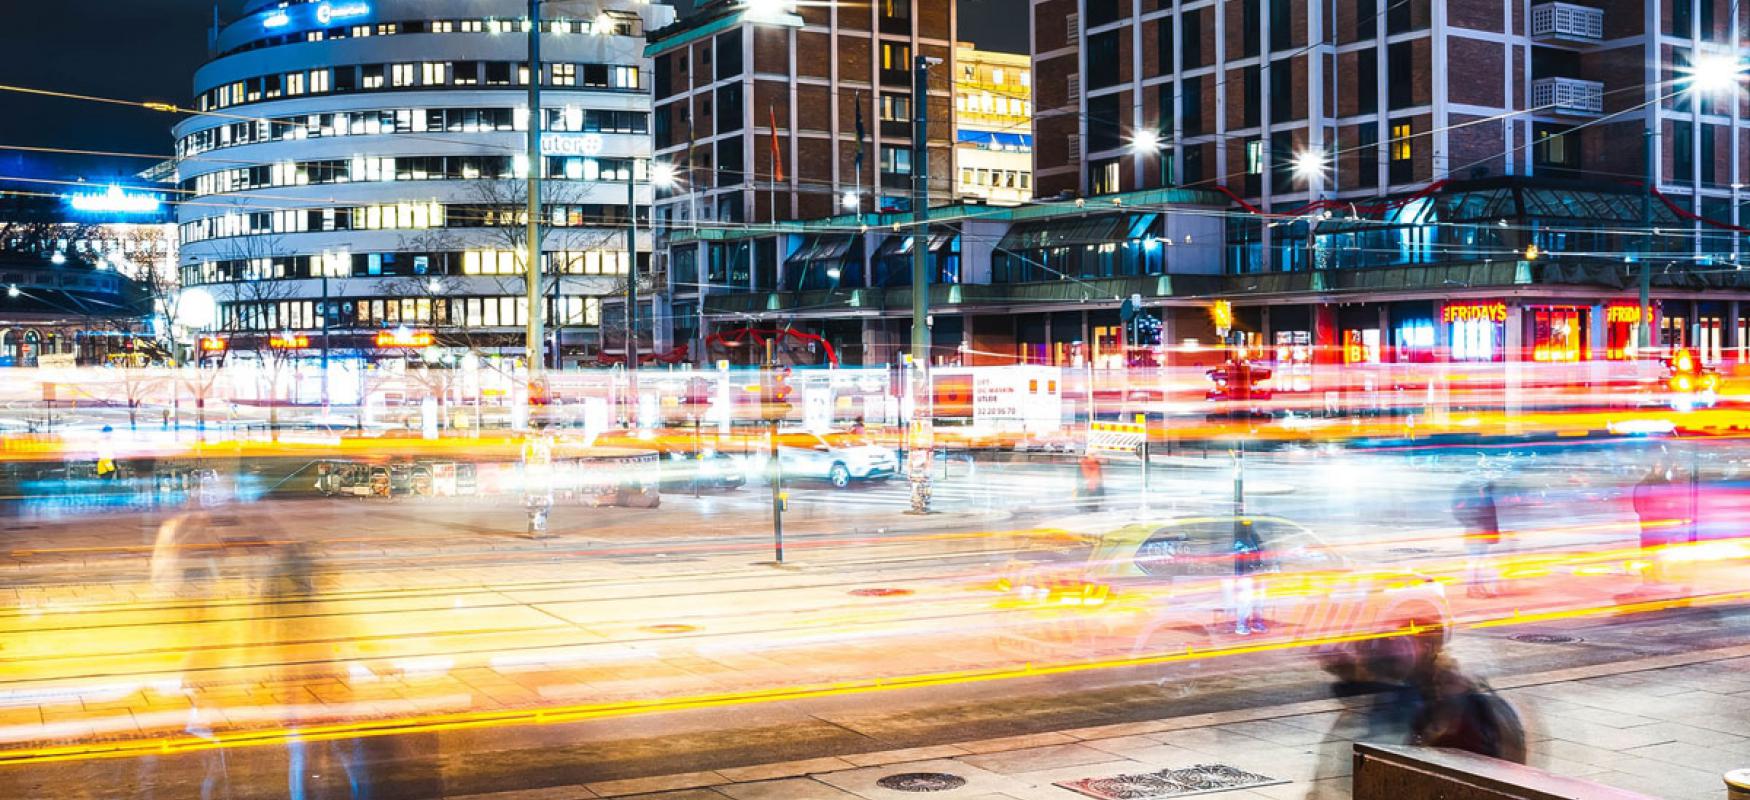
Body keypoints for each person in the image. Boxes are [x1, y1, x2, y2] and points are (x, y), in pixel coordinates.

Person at [1452, 479, 1501, 598]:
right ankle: (1474, 589)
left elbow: (1458, 513)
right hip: (1478, 533)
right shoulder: (1483, 501)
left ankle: (1474, 588)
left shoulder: (1474, 500)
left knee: (1475, 562)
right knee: (1475, 562)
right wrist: (1492, 536)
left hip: (1474, 532)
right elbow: (1491, 519)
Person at [1230, 519, 1267, 635]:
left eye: (1249, 526)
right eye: (1245, 526)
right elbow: (1239, 554)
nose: (1248, 528)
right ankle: (1241, 625)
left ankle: (1257, 622)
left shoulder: (1253, 539)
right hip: (1244, 574)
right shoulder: (1239, 541)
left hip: (1256, 573)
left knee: (1258, 600)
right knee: (1245, 601)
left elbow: (1260, 552)